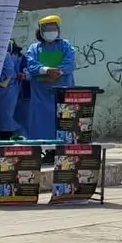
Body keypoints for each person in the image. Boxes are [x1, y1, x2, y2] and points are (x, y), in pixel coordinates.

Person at [25, 14, 76, 161]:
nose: (51, 31)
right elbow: (31, 64)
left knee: (63, 121)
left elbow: (70, 63)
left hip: (62, 93)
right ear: (40, 31)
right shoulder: (34, 48)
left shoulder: (65, 46)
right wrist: (46, 70)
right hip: (41, 94)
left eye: (54, 28)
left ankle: (62, 151)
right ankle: (45, 151)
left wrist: (58, 72)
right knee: (41, 122)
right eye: (47, 28)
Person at [0, 39, 22, 140]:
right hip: (7, 90)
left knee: (5, 120)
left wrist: (0, 82)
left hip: (6, 89)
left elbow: (10, 72)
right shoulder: (11, 55)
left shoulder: (5, 54)